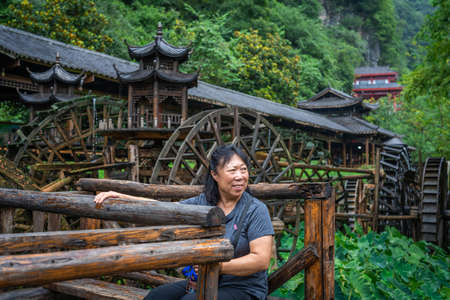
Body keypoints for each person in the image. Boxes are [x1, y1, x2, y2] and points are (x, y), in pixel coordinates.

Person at [94, 145, 274, 300]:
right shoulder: (203, 202)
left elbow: (261, 260)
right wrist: (121, 197)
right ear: (214, 174)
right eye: (232, 170)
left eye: (243, 170)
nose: (240, 176)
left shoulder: (255, 209)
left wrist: (217, 266)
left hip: (244, 290)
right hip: (205, 281)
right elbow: (165, 208)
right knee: (155, 297)